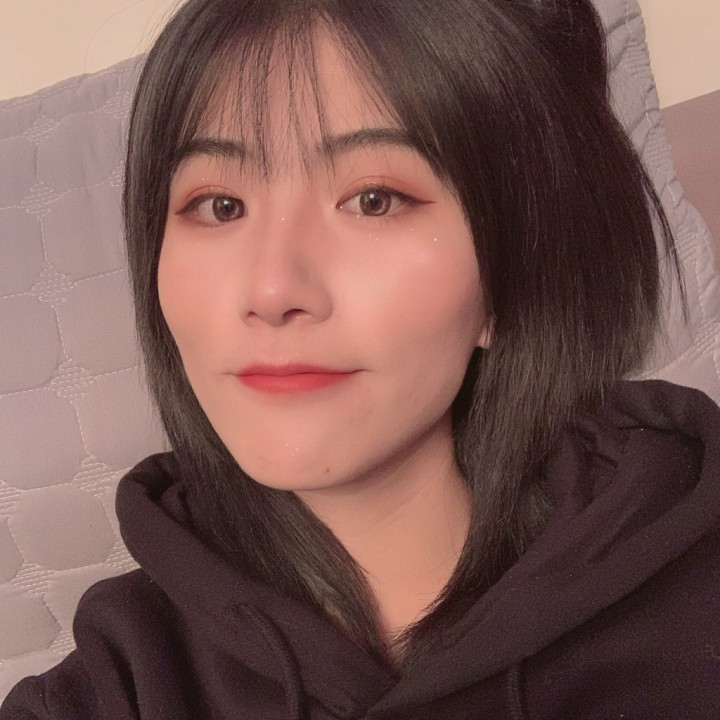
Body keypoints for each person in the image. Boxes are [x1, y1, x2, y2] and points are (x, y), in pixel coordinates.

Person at [2, 0, 719, 717]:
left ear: (508, 276)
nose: (272, 290)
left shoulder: (690, 585)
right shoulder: (122, 678)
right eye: (219, 206)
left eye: (374, 200)